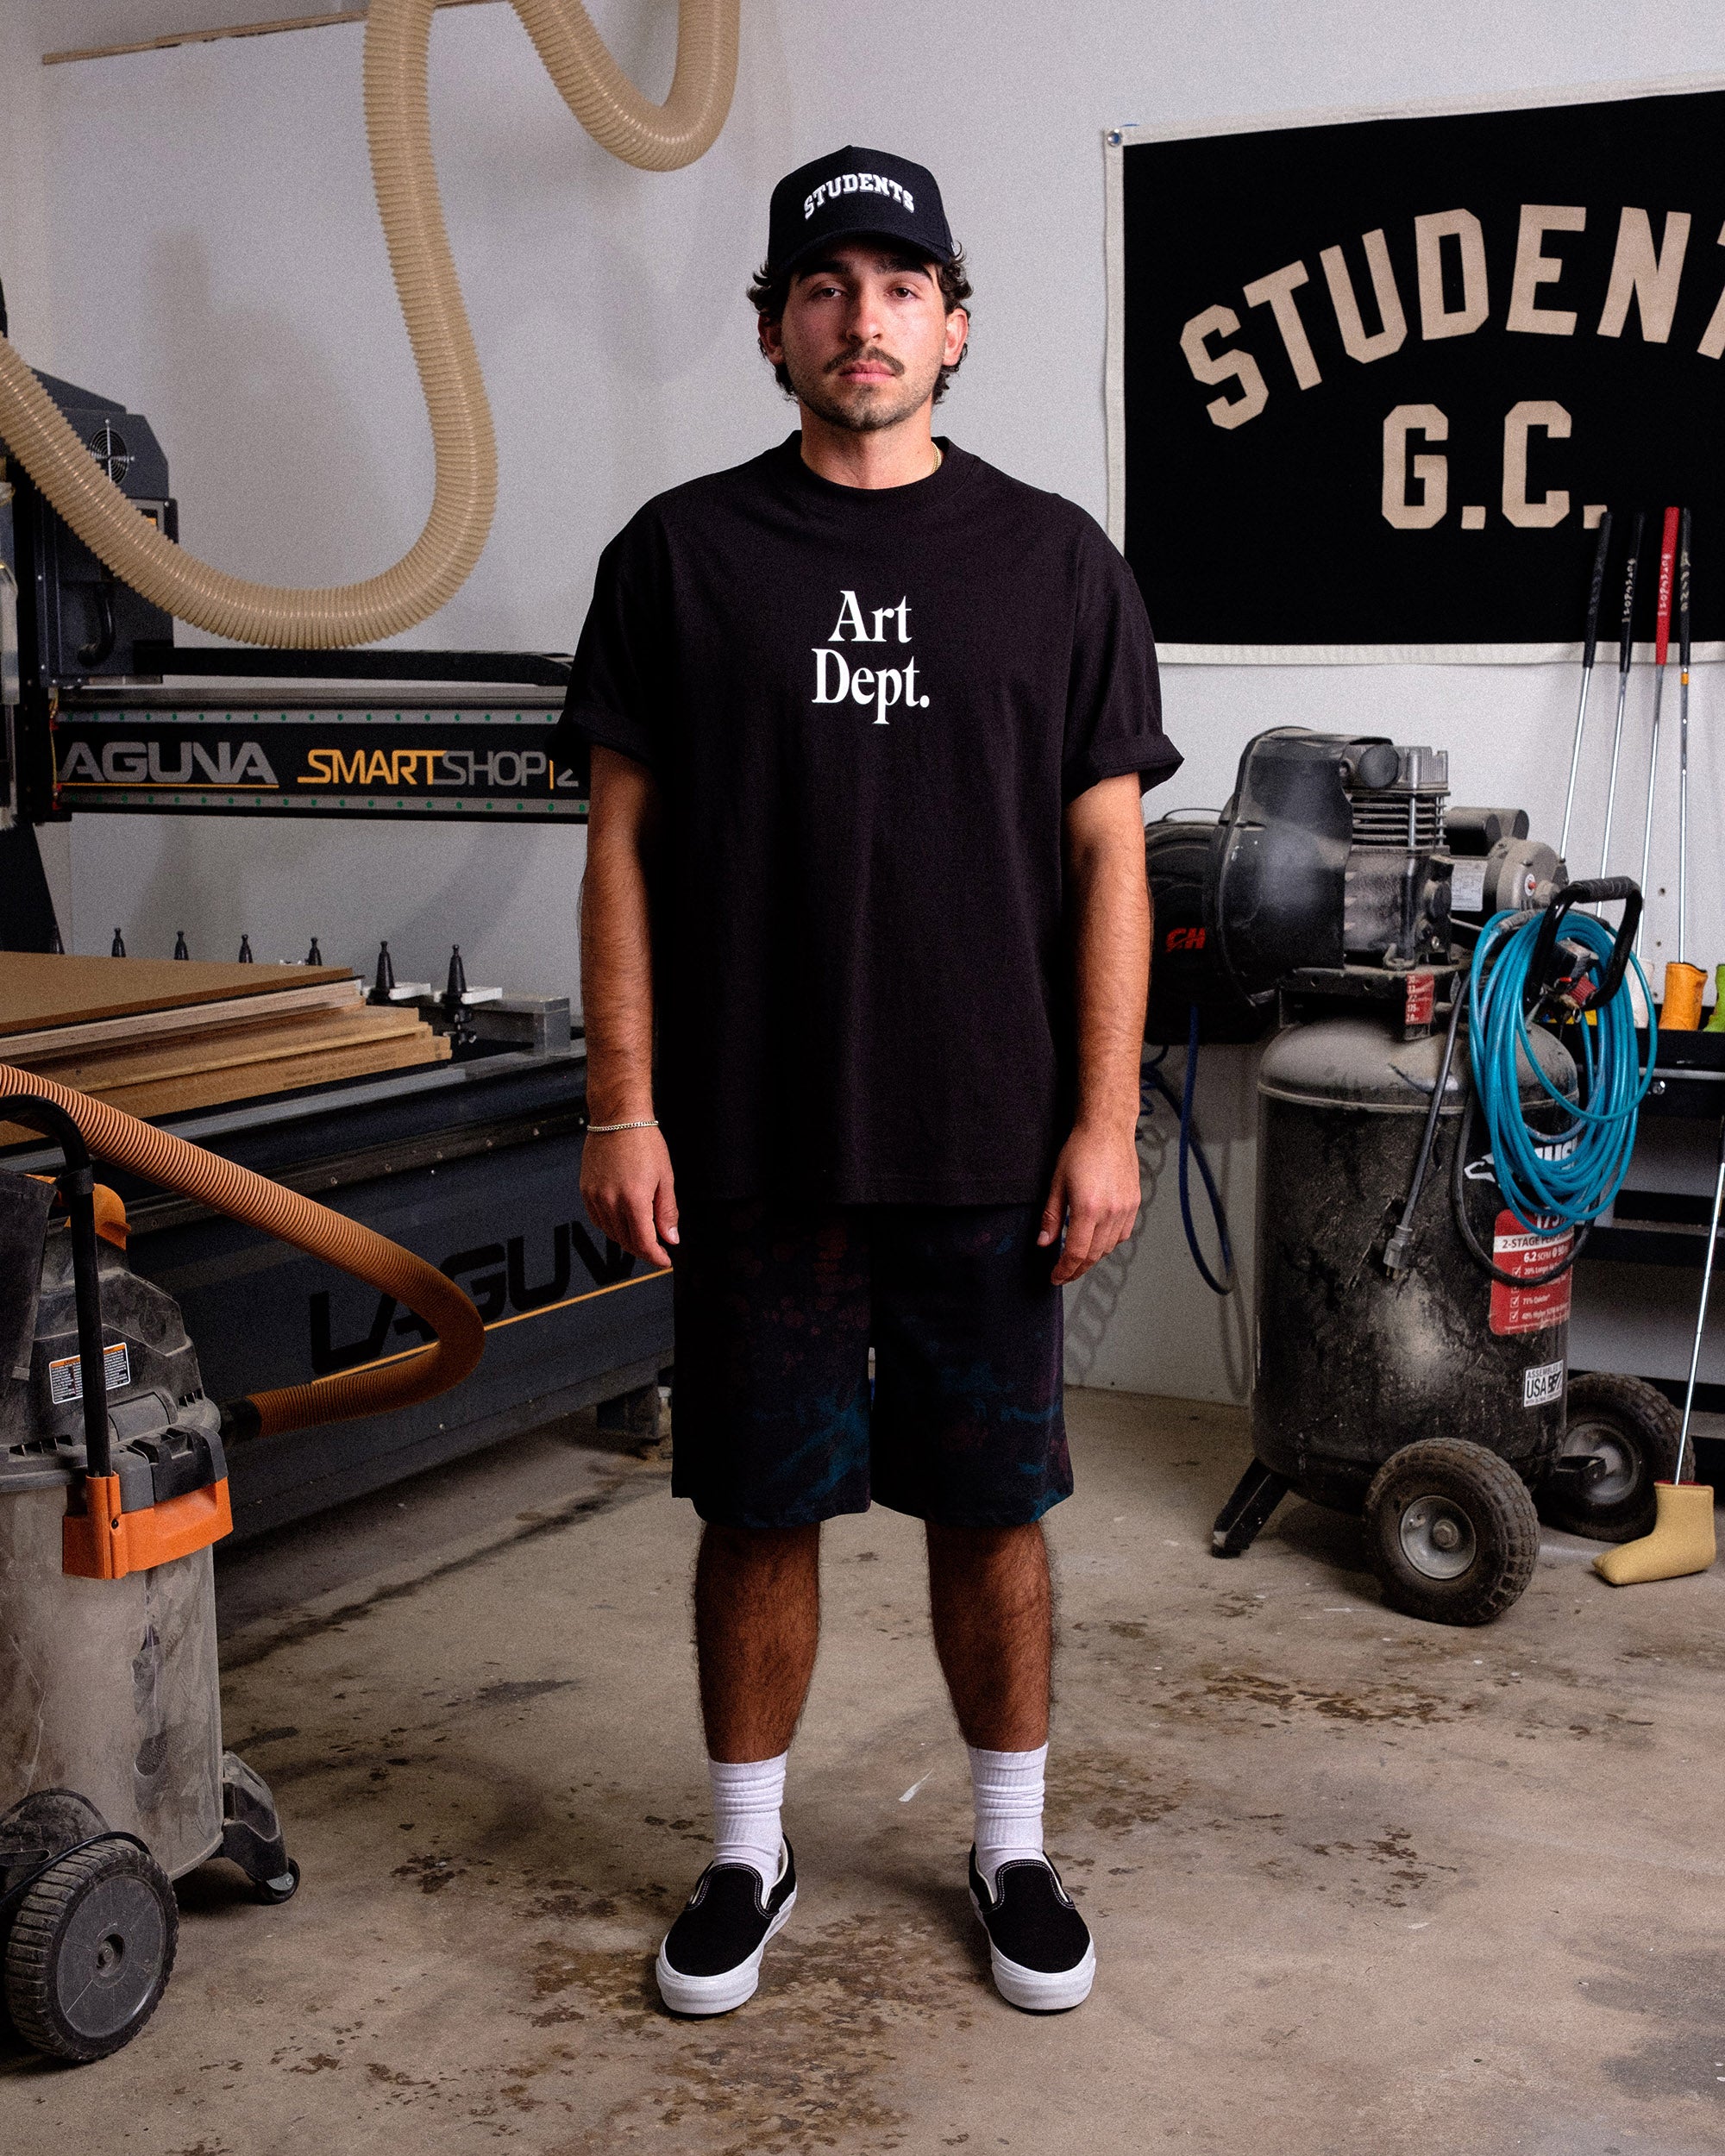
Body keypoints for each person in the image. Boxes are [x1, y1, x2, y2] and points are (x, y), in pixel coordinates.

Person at [563, 144, 1179, 2019]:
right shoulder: (680, 556)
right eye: (825, 285)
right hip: (753, 1142)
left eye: (899, 282)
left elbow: (1111, 867)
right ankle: (746, 1849)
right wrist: (621, 1101)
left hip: (989, 1146)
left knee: (993, 1510)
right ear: (773, 330)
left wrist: (1099, 1118)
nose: (864, 315)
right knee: (755, 1504)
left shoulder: (1058, 561)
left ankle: (1010, 1844)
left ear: (956, 323)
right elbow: (616, 851)